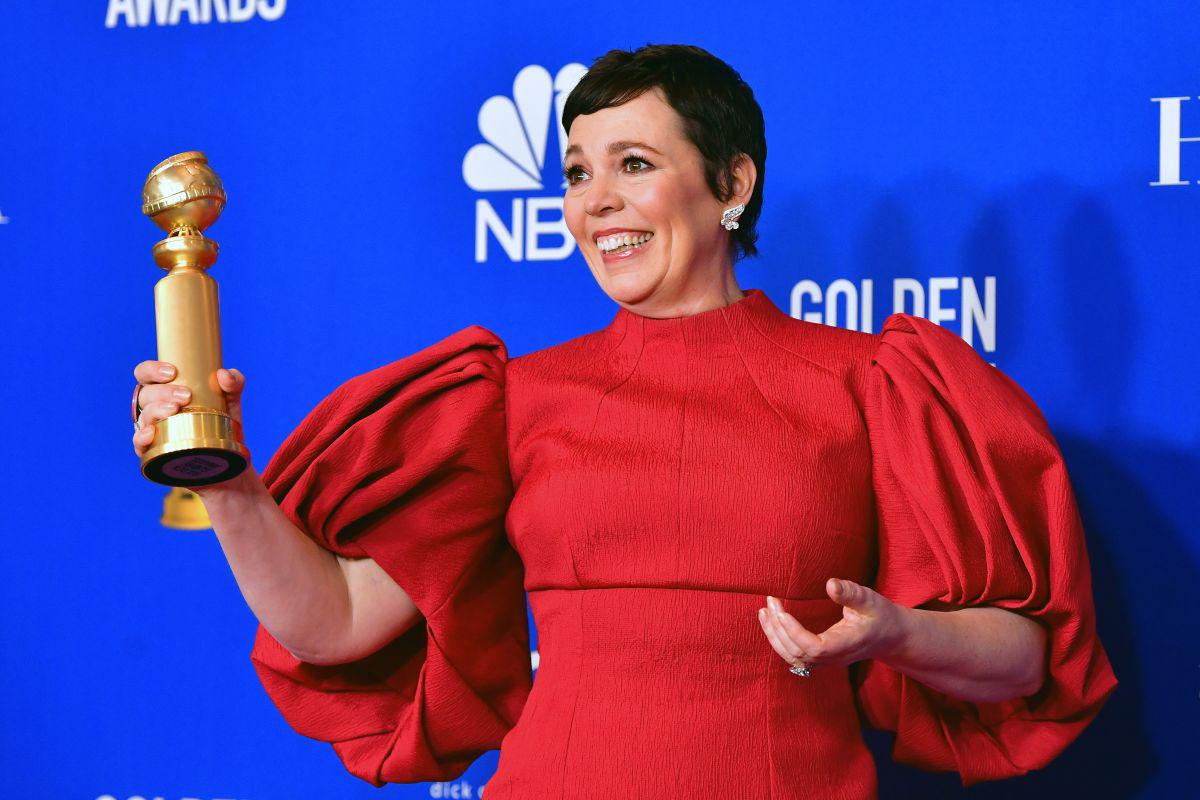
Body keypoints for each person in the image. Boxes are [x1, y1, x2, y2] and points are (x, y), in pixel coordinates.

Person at [129, 44, 1117, 798]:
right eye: (573, 173)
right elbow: (337, 619)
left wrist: (895, 629)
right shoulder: (514, 395)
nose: (596, 202)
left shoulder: (868, 380)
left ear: (733, 183)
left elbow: (1024, 659)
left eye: (633, 163)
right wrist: (229, 487)